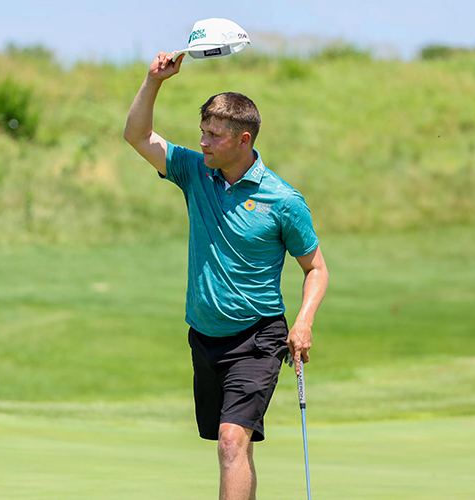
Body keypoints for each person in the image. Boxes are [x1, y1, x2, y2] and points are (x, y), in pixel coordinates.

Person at [123, 51, 329, 500]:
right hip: (204, 336)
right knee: (236, 447)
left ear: (243, 139)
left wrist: (304, 321)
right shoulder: (196, 172)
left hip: (257, 337)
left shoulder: (283, 201)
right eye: (202, 132)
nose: (203, 143)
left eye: (214, 136)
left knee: (232, 442)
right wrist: (154, 80)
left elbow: (315, 269)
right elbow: (136, 136)